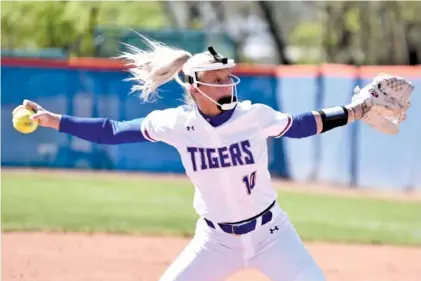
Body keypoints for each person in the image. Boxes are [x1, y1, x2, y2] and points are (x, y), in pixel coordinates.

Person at [12, 34, 412, 281]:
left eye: (228, 78)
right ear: (195, 87)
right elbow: (112, 132)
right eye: (218, 80)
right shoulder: (174, 123)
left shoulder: (253, 116)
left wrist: (355, 111)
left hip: (273, 237)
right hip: (214, 241)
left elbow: (304, 124)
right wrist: (54, 120)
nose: (227, 85)